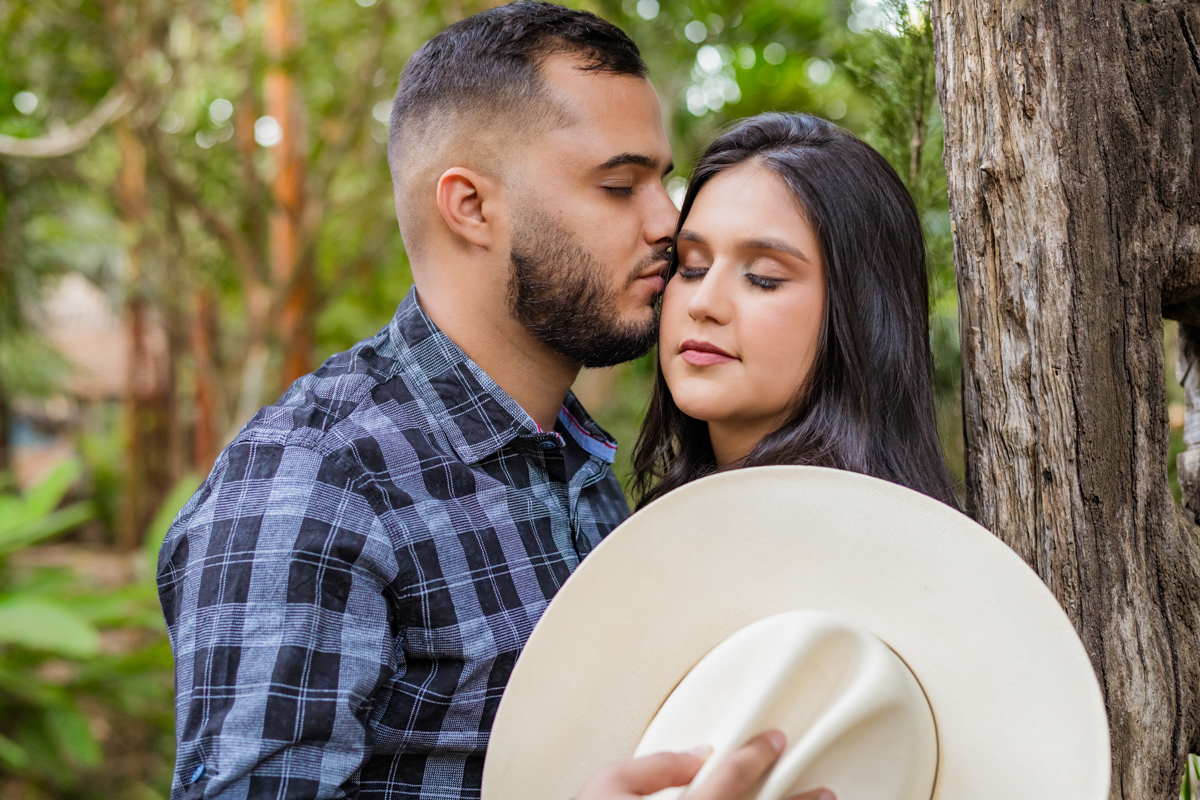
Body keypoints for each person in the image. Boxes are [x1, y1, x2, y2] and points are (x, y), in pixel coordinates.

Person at [157, 3, 830, 800]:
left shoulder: (576, 460)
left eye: (662, 181)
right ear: (472, 207)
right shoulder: (312, 484)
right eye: (620, 186)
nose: (666, 222)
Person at [633, 112, 960, 511]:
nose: (703, 303)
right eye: (692, 266)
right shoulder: (665, 524)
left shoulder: (867, 539)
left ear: (859, 311)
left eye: (763, 277)